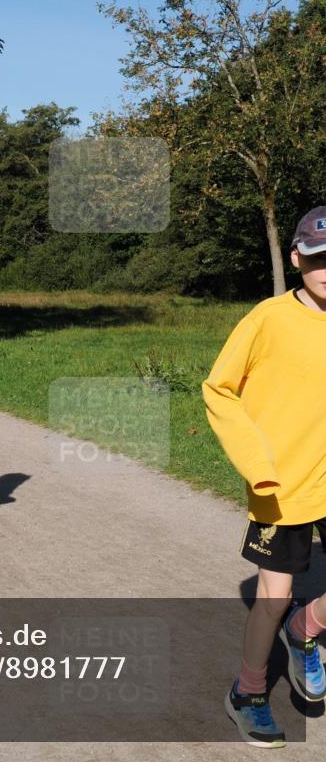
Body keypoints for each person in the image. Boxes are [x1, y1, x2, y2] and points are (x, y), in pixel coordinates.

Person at [203, 206, 326, 749]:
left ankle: (309, 628)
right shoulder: (268, 319)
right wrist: (258, 466)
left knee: (297, 613)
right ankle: (249, 693)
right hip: (282, 485)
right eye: (318, 258)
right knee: (273, 600)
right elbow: (218, 390)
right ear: (297, 257)